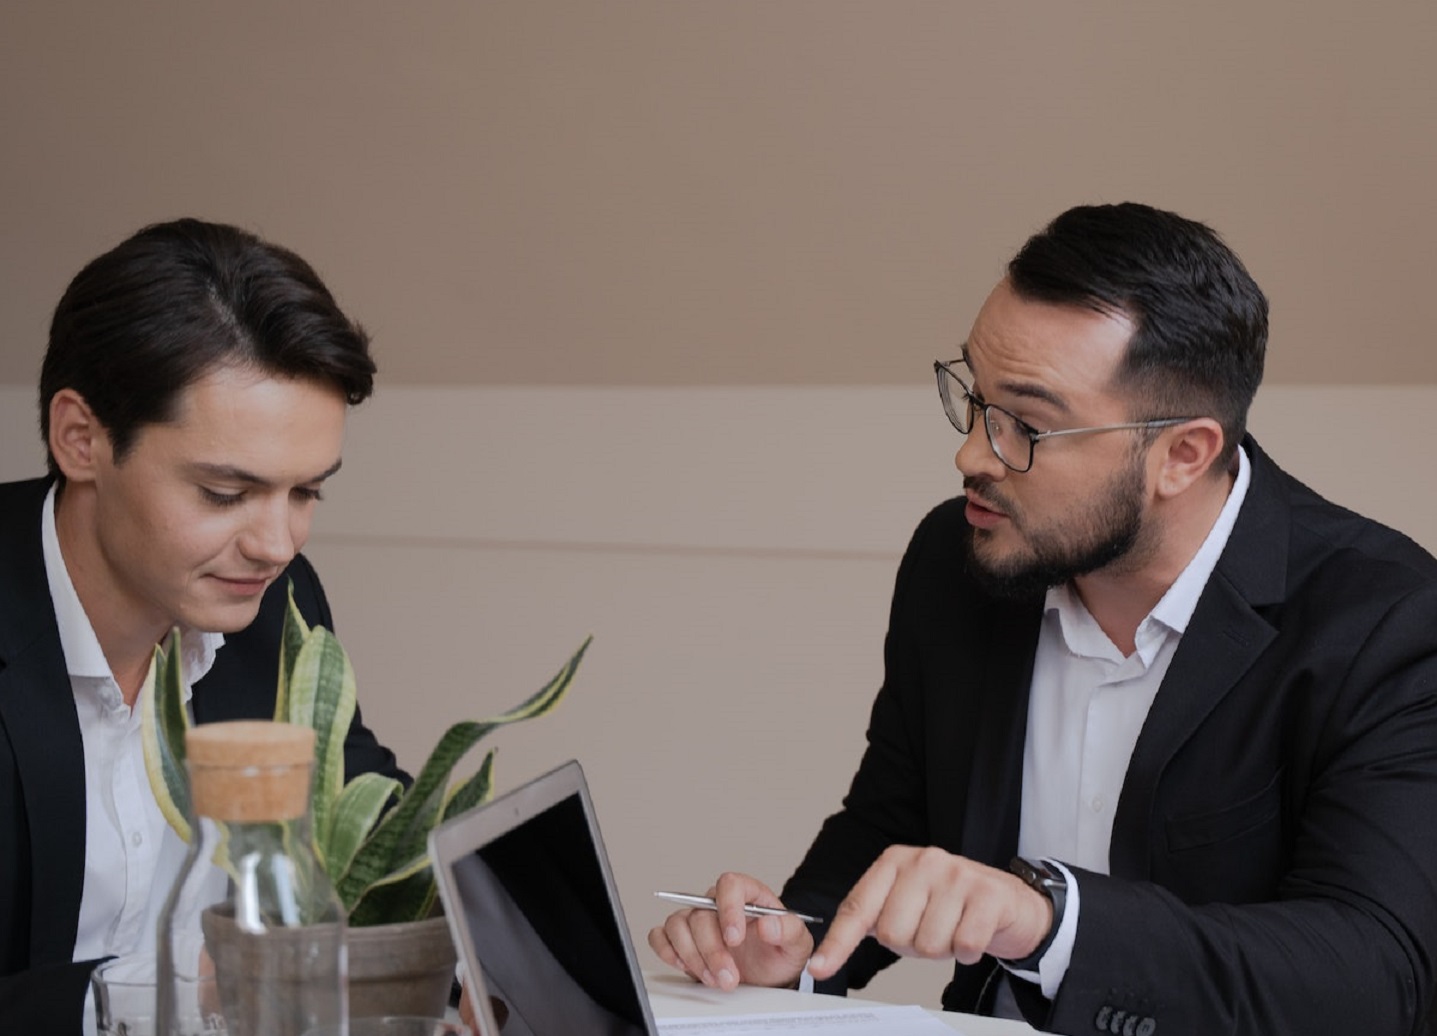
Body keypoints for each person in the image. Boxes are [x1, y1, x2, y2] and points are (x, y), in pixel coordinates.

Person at [650, 202, 1437, 1036]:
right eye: (975, 400)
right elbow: (895, 820)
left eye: (1026, 426)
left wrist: (1048, 921)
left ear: (1182, 455)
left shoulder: (1385, 620)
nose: (972, 456)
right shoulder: (957, 561)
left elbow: (1373, 970)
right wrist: (798, 946)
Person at [0, 219, 405, 1033]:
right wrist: (153, 999)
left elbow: (379, 841)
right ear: (80, 438)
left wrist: (705, 944)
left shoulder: (279, 607)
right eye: (225, 494)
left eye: (306, 492)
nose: (276, 544)